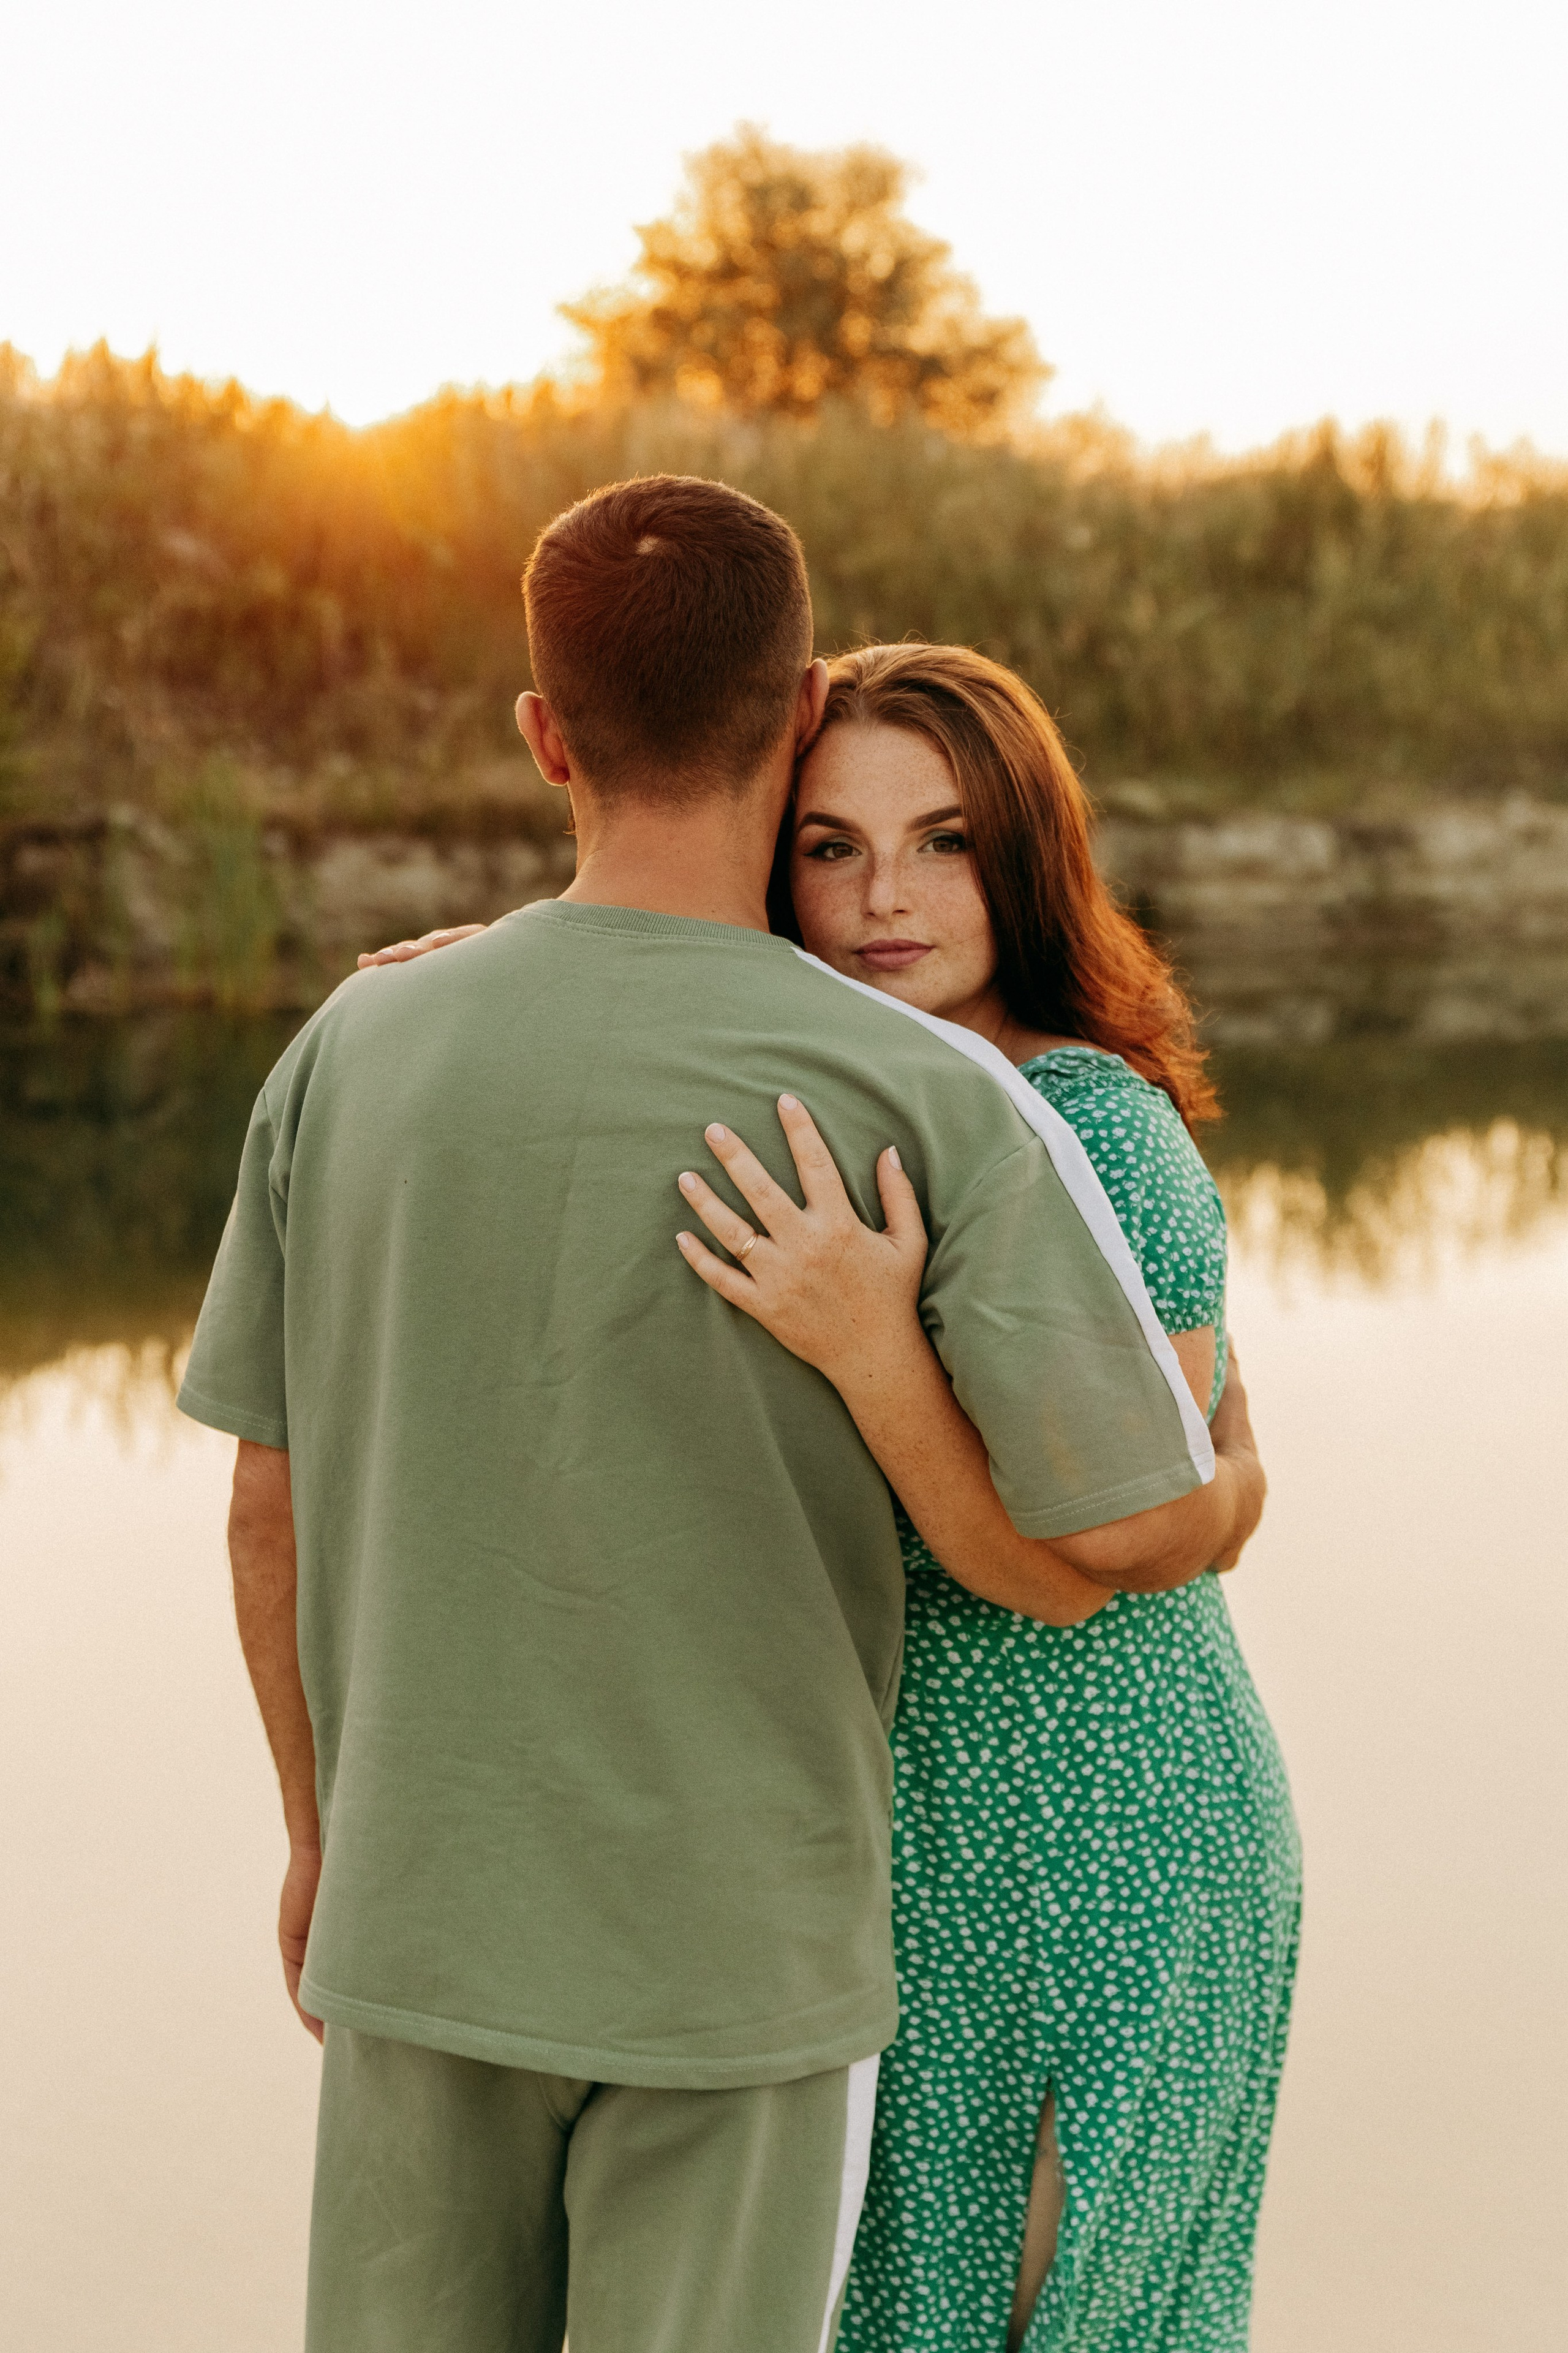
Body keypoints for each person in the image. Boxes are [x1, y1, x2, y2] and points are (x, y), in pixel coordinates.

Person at [180, 479, 1264, 2353]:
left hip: (501, 1908)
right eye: (840, 841)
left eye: (939, 844)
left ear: (543, 735)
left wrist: (312, 1825)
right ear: (783, 734)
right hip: (764, 1943)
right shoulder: (925, 1097)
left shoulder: (352, 1045)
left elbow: (265, 1505)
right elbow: (1109, 1525)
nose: (886, 894)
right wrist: (1228, 1467)